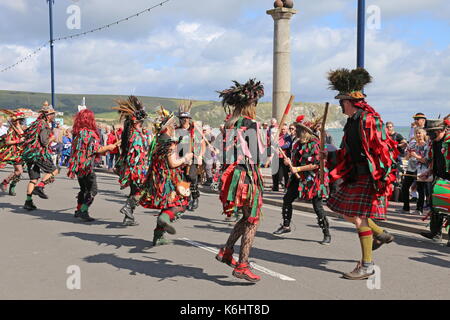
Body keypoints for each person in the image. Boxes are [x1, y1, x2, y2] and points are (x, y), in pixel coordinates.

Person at [326, 68, 398, 280]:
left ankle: (367, 265)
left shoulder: (368, 120)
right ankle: (380, 234)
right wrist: (330, 155)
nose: (340, 107)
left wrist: (382, 177)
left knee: (359, 219)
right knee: (346, 212)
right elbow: (348, 152)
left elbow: (384, 150)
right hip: (355, 175)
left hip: (368, 176)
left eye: (341, 103)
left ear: (349, 102)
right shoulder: (351, 122)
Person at [215, 79, 265, 282]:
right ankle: (243, 265)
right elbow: (259, 155)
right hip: (246, 176)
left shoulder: (229, 124)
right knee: (252, 220)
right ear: (249, 105)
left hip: (233, 176)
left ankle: (227, 251)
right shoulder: (250, 124)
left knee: (246, 217)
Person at [273, 115, 332, 244]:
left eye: (299, 129)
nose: (296, 131)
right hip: (297, 178)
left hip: (313, 178)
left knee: (317, 207)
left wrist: (298, 169)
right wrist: (289, 162)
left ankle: (326, 233)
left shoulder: (315, 144)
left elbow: (317, 164)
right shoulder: (296, 144)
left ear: (305, 131)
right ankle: (286, 225)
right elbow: (295, 161)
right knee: (287, 199)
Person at [140, 108, 193, 245]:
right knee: (181, 203)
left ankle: (158, 236)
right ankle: (164, 219)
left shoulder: (157, 141)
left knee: (168, 204)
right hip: (170, 178)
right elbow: (172, 163)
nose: (174, 126)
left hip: (158, 178)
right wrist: (186, 158)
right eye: (172, 124)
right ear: (168, 127)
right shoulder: (169, 142)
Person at [67, 109, 120, 222]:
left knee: (83, 189)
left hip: (78, 166)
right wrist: (110, 147)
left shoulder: (77, 133)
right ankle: (83, 210)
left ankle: (78, 209)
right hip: (86, 167)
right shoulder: (89, 134)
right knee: (92, 190)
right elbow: (96, 149)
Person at [113, 96, 149, 226]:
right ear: (136, 122)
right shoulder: (136, 136)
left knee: (134, 192)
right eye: (141, 122)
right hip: (136, 170)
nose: (142, 124)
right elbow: (135, 157)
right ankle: (128, 208)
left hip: (134, 169)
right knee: (141, 192)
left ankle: (129, 217)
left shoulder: (132, 134)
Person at [21, 101, 60, 210]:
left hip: (30, 154)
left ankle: (28, 202)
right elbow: (44, 142)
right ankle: (40, 187)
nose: (54, 116)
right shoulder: (43, 125)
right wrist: (52, 138)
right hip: (38, 154)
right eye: (52, 114)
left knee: (33, 179)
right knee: (54, 170)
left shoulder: (35, 123)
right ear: (47, 115)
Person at [419, 118, 450, 244]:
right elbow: (434, 160)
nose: (430, 136)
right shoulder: (434, 142)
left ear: (442, 130)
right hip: (439, 177)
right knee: (435, 206)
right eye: (429, 133)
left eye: (433, 133)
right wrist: (429, 171)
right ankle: (435, 233)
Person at [176, 103, 205, 212]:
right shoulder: (177, 130)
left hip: (192, 157)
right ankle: (186, 200)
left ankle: (195, 197)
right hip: (180, 158)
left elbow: (202, 144)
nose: (184, 120)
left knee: (192, 177)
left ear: (189, 119)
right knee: (183, 179)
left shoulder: (194, 130)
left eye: (186, 118)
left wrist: (201, 156)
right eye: (182, 118)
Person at [399, 128, 431, 215]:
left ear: (424, 134)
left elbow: (425, 161)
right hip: (410, 169)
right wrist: (409, 155)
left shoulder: (427, 146)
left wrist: (416, 156)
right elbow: (406, 158)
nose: (418, 135)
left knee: (421, 190)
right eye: (416, 133)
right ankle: (406, 208)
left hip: (421, 170)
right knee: (404, 187)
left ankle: (419, 209)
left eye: (420, 133)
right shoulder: (412, 144)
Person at [0, 110, 26, 196]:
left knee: (18, 173)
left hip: (22, 152)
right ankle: (5, 182)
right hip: (14, 152)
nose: (21, 121)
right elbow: (7, 142)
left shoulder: (21, 127)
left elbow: (24, 136)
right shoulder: (11, 129)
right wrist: (19, 140)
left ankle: (12, 187)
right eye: (19, 120)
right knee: (19, 171)